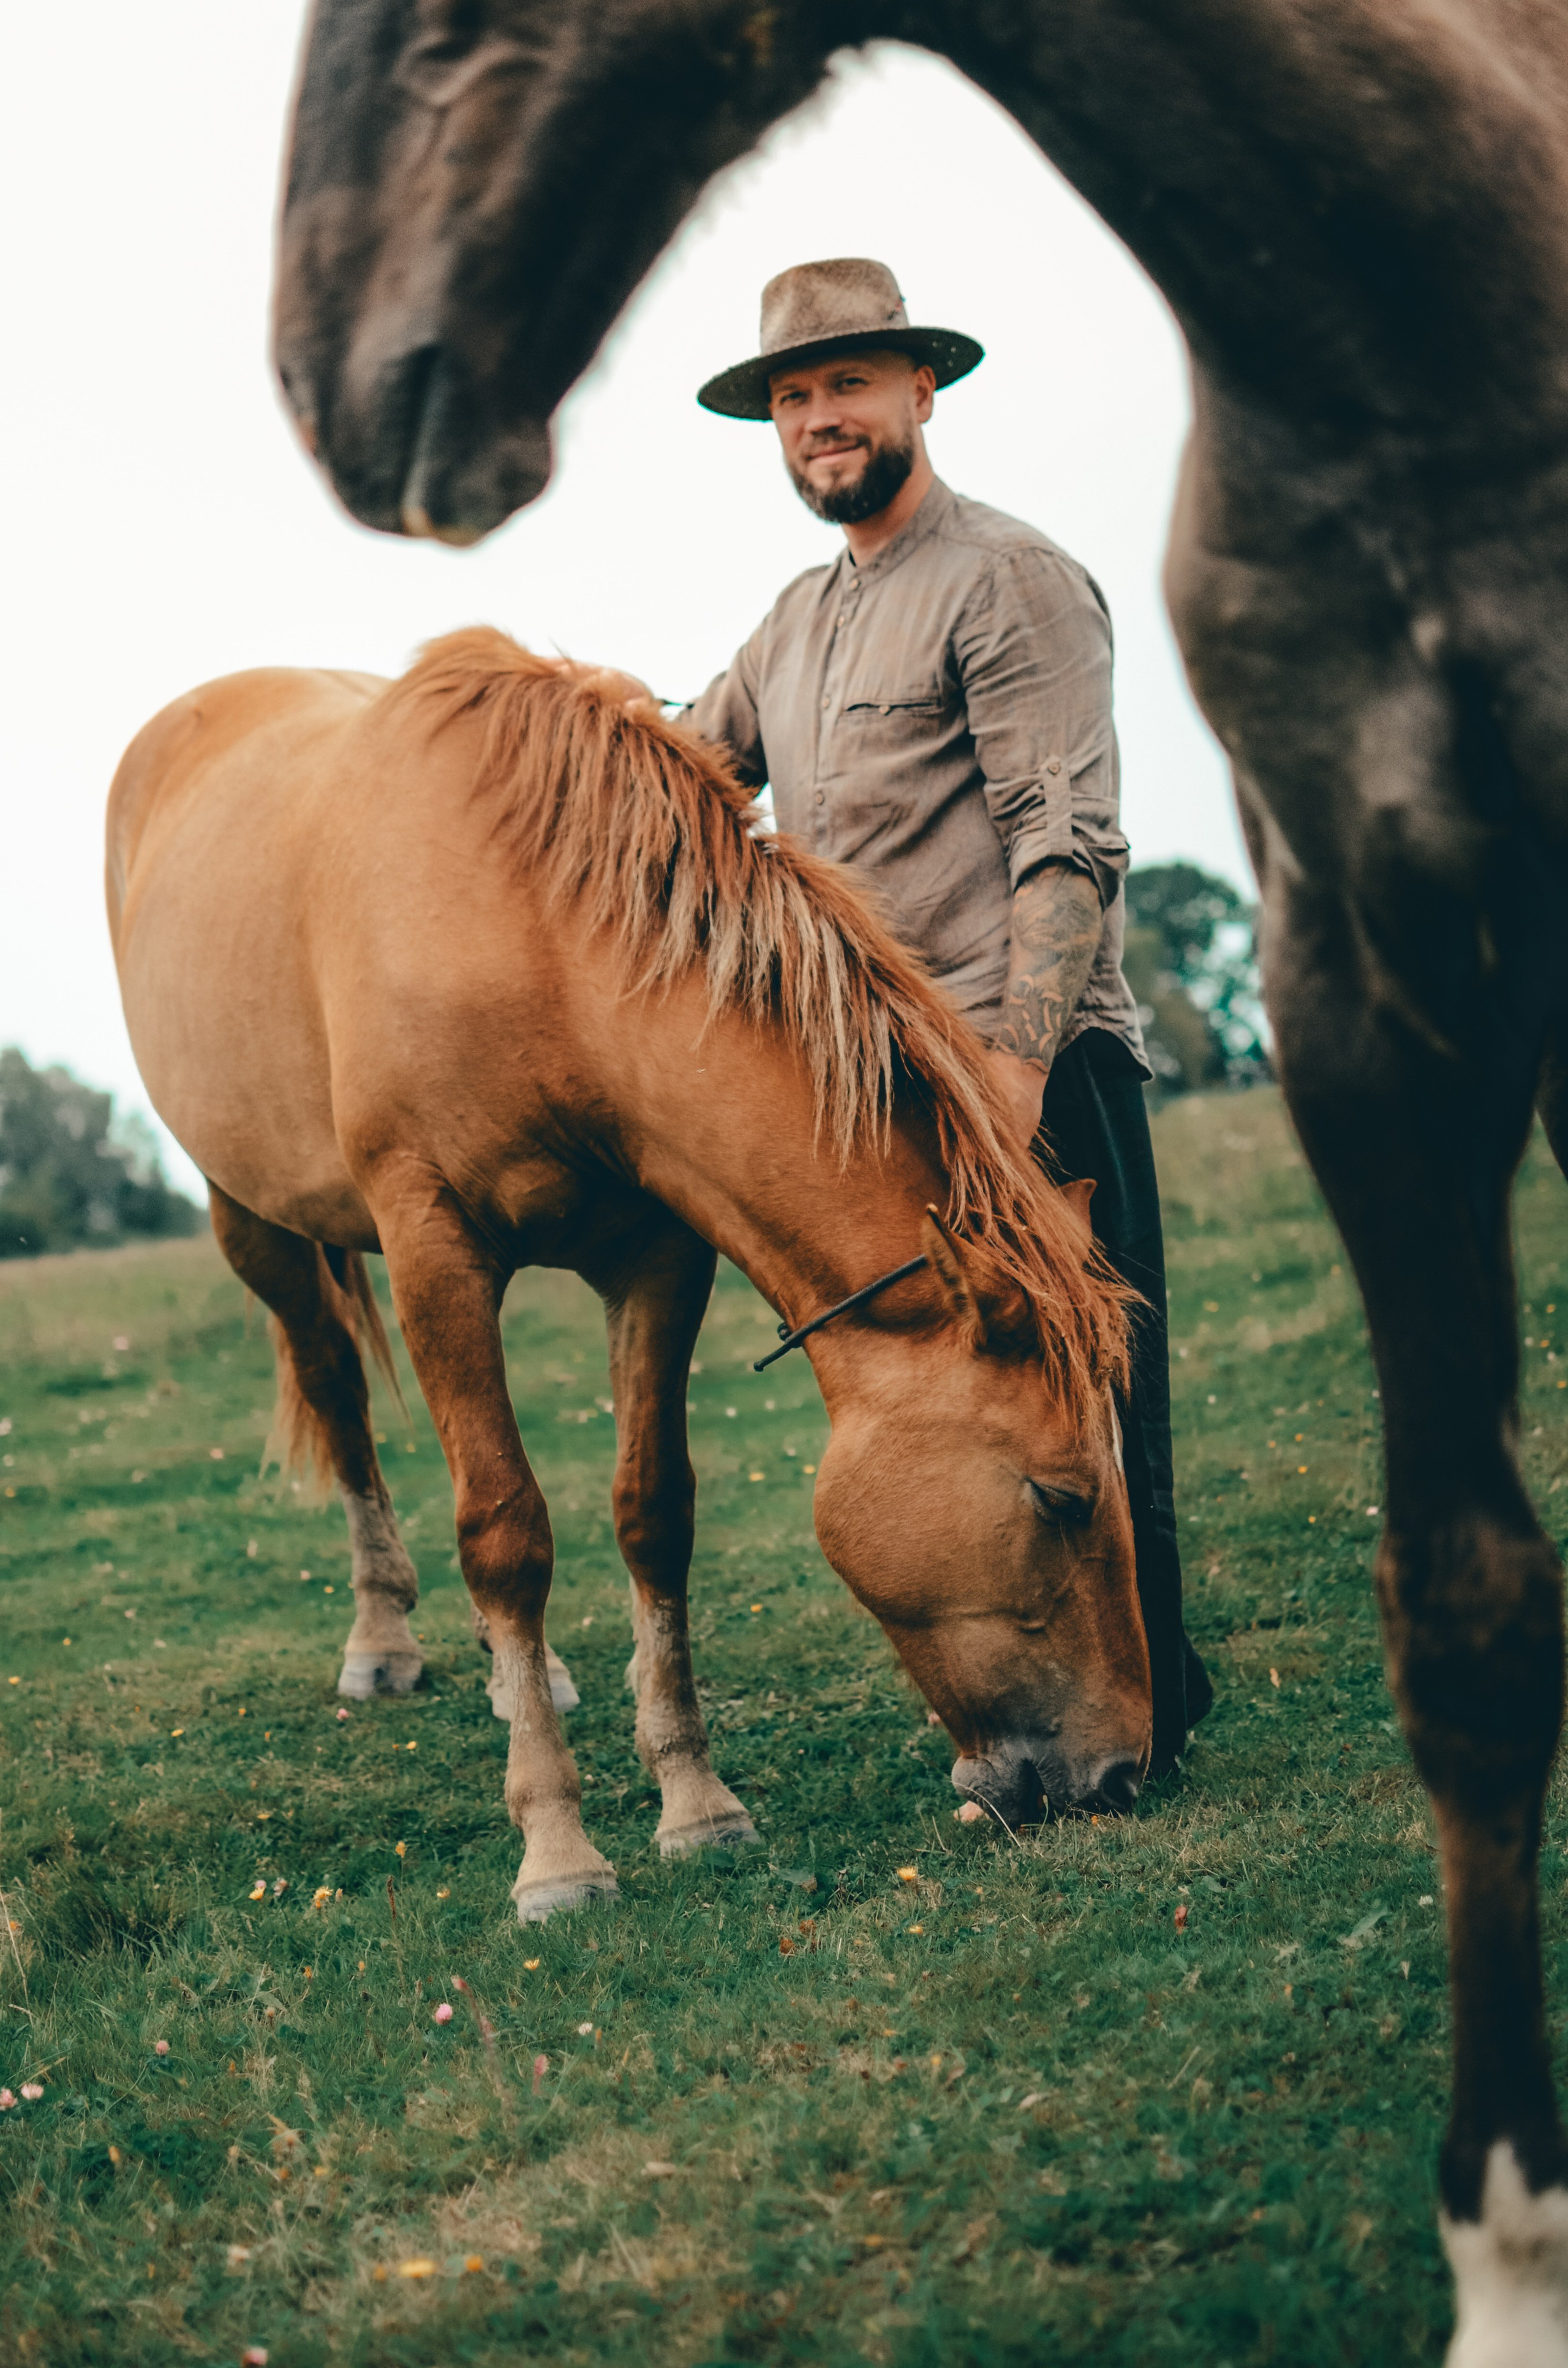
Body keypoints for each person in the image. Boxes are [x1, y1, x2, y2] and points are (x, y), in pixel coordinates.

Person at [684, 257, 1210, 1774]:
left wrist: (1018, 1065)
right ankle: (1036, 1705)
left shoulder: (1010, 580)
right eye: (791, 397)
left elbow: (1067, 843)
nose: (818, 420)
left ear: (922, 389)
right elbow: (687, 774)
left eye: (847, 384)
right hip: (888, 1099)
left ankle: (1145, 1721)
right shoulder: (792, 623)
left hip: (1031, 1065)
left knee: (1089, 1419)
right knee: (976, 1415)